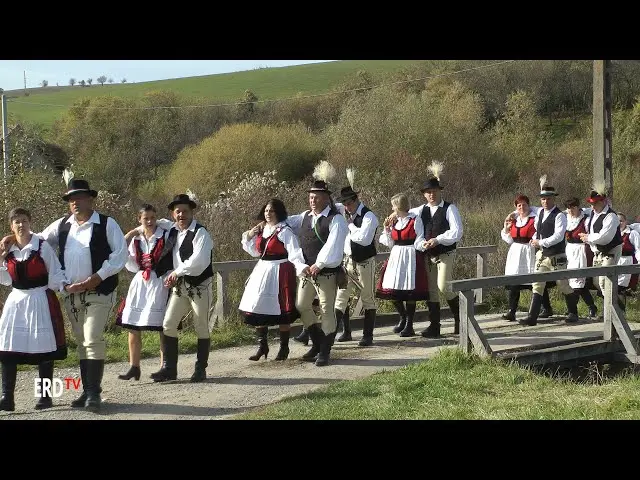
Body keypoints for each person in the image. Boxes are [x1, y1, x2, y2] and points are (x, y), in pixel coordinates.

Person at [13, 176, 129, 413]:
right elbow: (37, 241)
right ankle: (87, 391)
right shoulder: (62, 224)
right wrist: (12, 239)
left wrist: (97, 277)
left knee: (92, 336)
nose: (74, 202)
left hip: (99, 291)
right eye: (70, 199)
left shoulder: (107, 224)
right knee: (81, 342)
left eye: (78, 198)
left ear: (90, 200)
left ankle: (94, 394)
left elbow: (120, 255)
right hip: (72, 294)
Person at [140, 194, 215, 383]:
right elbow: (149, 224)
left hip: (199, 286)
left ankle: (200, 369)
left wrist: (176, 272)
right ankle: (169, 369)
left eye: (185, 211)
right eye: (178, 211)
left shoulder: (200, 233)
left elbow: (199, 261)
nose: (181, 214)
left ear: (192, 212)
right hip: (181, 288)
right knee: (168, 324)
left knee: (201, 326)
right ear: (173, 214)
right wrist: (132, 233)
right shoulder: (171, 228)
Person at [0, 208, 68, 412]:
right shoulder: (8, 250)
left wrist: (66, 287)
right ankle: (7, 397)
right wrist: (1, 255)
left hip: (40, 299)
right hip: (16, 301)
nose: (21, 225)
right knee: (7, 348)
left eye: (24, 221)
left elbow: (55, 272)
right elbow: (5, 279)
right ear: (11, 226)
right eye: (17, 222)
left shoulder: (42, 246)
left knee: (44, 349)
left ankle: (45, 397)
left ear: (30, 223)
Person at [286, 162, 349, 367]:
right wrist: (268, 221)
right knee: (302, 306)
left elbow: (334, 245)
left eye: (317, 197)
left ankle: (325, 351)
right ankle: (318, 342)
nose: (313, 201)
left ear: (326, 198)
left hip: (326, 273)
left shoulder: (336, 219)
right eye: (311, 197)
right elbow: (285, 224)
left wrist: (320, 264)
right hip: (306, 272)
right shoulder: (304, 217)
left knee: (326, 309)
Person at [238, 198, 306, 361]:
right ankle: (263, 346)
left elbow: (294, 251)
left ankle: (284, 348)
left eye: (272, 211)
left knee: (282, 309)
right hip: (262, 270)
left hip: (280, 270)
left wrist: (300, 268)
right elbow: (255, 252)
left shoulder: (285, 231)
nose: (268, 214)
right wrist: (251, 234)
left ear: (279, 213)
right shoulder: (261, 230)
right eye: (266, 211)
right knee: (258, 306)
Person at [115, 204, 171, 381]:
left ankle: (164, 366)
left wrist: (160, 223)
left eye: (153, 218)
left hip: (159, 281)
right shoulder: (136, 239)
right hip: (140, 282)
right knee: (132, 326)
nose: (150, 221)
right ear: (139, 219)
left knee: (162, 327)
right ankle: (134, 366)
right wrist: (131, 234)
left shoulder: (165, 234)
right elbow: (128, 261)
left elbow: (173, 225)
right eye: (145, 218)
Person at [408, 162, 463, 338]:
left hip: (445, 252)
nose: (431, 195)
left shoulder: (449, 208)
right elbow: (405, 212)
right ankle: (435, 326)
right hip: (428, 254)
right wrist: (395, 214)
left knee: (444, 286)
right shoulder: (420, 210)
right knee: (432, 290)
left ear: (440, 191)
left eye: (434, 191)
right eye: (428, 192)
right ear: (424, 195)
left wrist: (437, 239)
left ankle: (460, 319)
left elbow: (457, 232)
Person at [521, 176, 579, 326]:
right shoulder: (540, 213)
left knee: (562, 284)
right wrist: (535, 240)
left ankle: (573, 311)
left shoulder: (560, 215)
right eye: (543, 199)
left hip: (556, 255)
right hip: (542, 254)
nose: (545, 201)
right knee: (537, 284)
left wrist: (540, 242)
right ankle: (532, 317)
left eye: (548, 199)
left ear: (553, 199)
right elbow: (537, 230)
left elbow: (558, 237)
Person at [333, 176, 379, 346]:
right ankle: (340, 333)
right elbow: (330, 205)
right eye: (344, 203)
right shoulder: (344, 211)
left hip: (365, 262)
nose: (346, 206)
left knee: (367, 297)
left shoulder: (369, 216)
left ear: (356, 200)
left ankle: (368, 335)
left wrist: (350, 225)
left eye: (349, 203)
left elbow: (364, 239)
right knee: (341, 297)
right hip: (348, 261)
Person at [375, 193, 429, 336]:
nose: (391, 208)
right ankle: (403, 317)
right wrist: (386, 229)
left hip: (410, 256)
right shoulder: (394, 222)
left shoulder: (414, 220)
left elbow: (419, 238)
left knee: (410, 292)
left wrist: (424, 245)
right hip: (396, 256)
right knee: (392, 290)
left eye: (393, 205)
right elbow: (390, 243)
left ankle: (409, 325)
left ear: (399, 206)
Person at [578, 185, 624, 312]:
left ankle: (615, 313)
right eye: (591, 204)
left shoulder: (611, 216)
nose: (592, 207)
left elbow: (605, 237)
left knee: (605, 283)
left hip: (610, 251)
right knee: (598, 282)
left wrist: (588, 238)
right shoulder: (593, 213)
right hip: (599, 252)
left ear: (603, 202)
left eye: (595, 204)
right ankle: (618, 310)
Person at [500, 194, 538, 321]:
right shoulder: (514, 221)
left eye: (524, 204)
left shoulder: (534, 219)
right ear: (516, 207)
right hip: (515, 252)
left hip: (528, 251)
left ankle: (544, 307)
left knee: (534, 282)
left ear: (529, 205)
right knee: (514, 281)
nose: (522, 207)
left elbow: (537, 235)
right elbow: (509, 239)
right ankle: (512, 311)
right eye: (519, 205)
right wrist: (506, 228)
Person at [564, 197, 598, 318]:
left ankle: (572, 310)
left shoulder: (586, 220)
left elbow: (592, 235)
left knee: (578, 281)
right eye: (568, 208)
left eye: (573, 207)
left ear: (578, 207)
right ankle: (591, 307)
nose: (570, 210)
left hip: (581, 251)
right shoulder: (565, 218)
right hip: (569, 251)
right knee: (575, 282)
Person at [617, 213, 640, 298]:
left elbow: (638, 249)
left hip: (627, 261)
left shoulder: (632, 233)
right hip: (615, 261)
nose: (619, 223)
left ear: (625, 221)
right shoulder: (613, 233)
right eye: (617, 221)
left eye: (621, 221)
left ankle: (621, 308)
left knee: (622, 288)